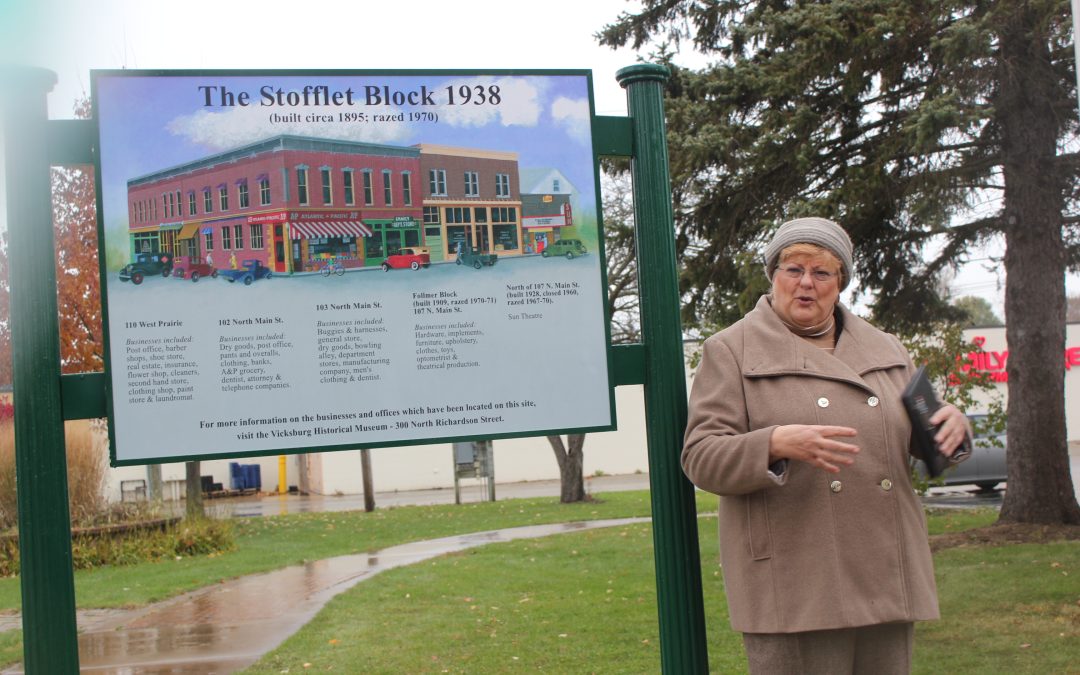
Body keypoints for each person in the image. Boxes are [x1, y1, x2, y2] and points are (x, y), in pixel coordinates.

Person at [682, 217, 971, 674]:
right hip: (796, 577)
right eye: (793, 269)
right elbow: (700, 456)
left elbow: (923, 438)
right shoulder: (731, 351)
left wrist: (952, 426)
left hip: (885, 570)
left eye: (822, 273)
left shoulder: (885, 347)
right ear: (773, 275)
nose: (806, 284)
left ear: (840, 284)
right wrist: (774, 443)